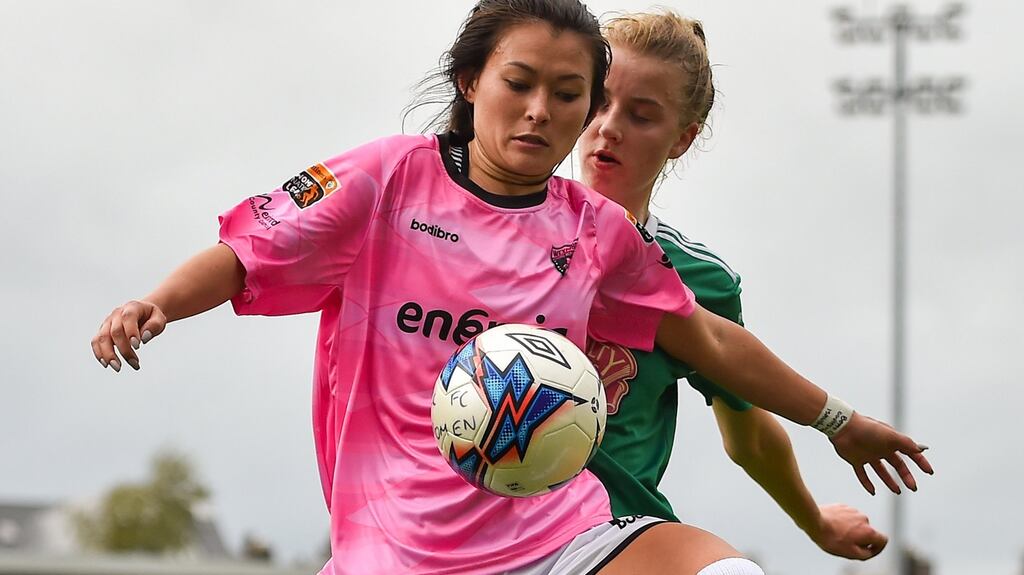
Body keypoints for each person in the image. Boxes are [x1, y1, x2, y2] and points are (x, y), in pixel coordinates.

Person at [90, 1, 929, 573]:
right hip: (397, 547)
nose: (541, 111)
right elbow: (249, 252)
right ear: (470, 82)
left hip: (559, 536)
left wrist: (839, 421)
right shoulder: (386, 184)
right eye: (518, 84)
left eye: (567, 94)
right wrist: (159, 301)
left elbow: (705, 338)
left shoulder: (598, 239)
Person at [580, 10, 893, 560]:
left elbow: (747, 432)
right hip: (471, 529)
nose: (609, 126)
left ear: (682, 138)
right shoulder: (495, 229)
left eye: (641, 115)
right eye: (598, 102)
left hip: (614, 536)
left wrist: (814, 521)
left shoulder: (700, 281)